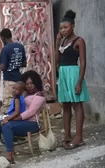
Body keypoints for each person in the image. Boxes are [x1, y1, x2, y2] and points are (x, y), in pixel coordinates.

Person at [0, 70, 45, 163]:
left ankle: (9, 155)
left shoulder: (39, 95)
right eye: (27, 84)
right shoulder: (24, 94)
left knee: (7, 125)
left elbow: (31, 111)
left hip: (32, 123)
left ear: (36, 83)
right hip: (21, 122)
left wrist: (14, 119)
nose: (29, 86)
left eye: (31, 83)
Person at [55, 10, 89, 150]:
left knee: (77, 105)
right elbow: (57, 60)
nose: (63, 30)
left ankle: (79, 137)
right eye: (61, 28)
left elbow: (83, 62)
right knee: (66, 106)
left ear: (72, 26)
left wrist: (79, 82)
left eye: (66, 27)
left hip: (74, 74)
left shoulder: (78, 41)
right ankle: (67, 136)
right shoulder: (63, 41)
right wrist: (57, 42)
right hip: (63, 74)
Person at [0, 28, 27, 114]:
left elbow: (3, 67)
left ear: (3, 38)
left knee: (8, 105)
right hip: (19, 79)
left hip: (9, 80)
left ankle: (6, 122)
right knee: (19, 103)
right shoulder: (20, 47)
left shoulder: (5, 49)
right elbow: (24, 64)